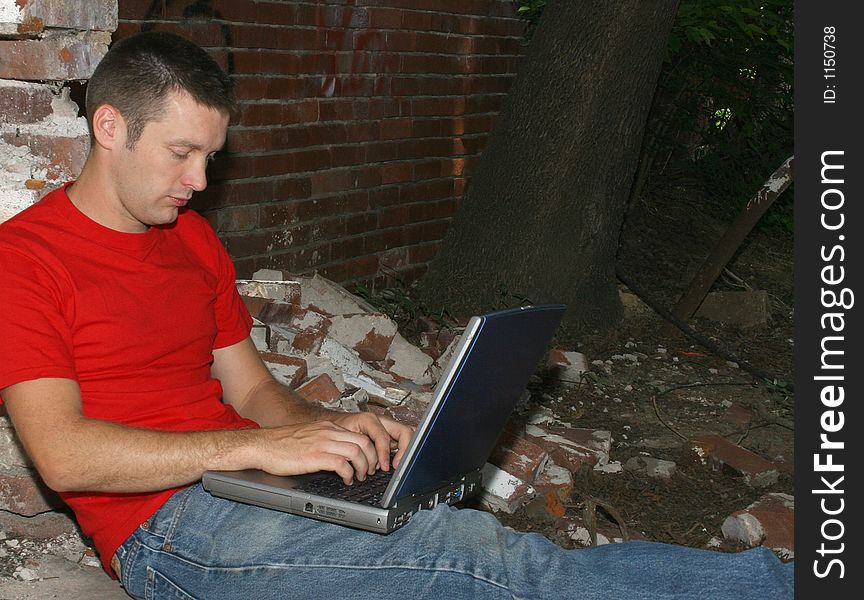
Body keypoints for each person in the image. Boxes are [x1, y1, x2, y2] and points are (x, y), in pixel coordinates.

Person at [0, 31, 792, 599]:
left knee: (478, 550)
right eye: (182, 154)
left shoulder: (193, 242)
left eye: (212, 154)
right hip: (168, 533)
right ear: (110, 127)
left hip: (245, 485)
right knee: (496, 571)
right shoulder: (25, 260)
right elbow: (63, 457)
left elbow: (252, 392)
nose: (202, 180)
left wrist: (327, 432)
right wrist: (267, 447)